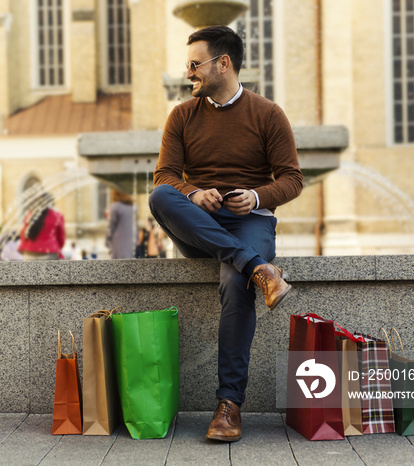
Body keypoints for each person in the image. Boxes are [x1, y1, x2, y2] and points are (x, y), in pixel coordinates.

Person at [148, 26, 303, 443]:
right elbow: (165, 176)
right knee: (161, 196)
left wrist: (255, 197)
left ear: (224, 63)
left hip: (250, 221)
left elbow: (291, 180)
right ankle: (260, 268)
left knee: (236, 280)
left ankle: (228, 405)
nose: (188, 73)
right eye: (188, 66)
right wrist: (194, 193)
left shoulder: (268, 113)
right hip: (200, 226)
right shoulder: (181, 115)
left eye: (195, 64)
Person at [18, 192, 65, 260]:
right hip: (49, 253)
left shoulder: (30, 214)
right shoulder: (57, 215)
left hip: (28, 253)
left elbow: (23, 234)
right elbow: (61, 239)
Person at [106, 190, 136, 259]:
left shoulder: (115, 207)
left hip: (118, 240)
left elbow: (111, 225)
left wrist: (107, 240)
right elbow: (135, 227)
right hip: (129, 240)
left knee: (117, 263)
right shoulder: (132, 208)